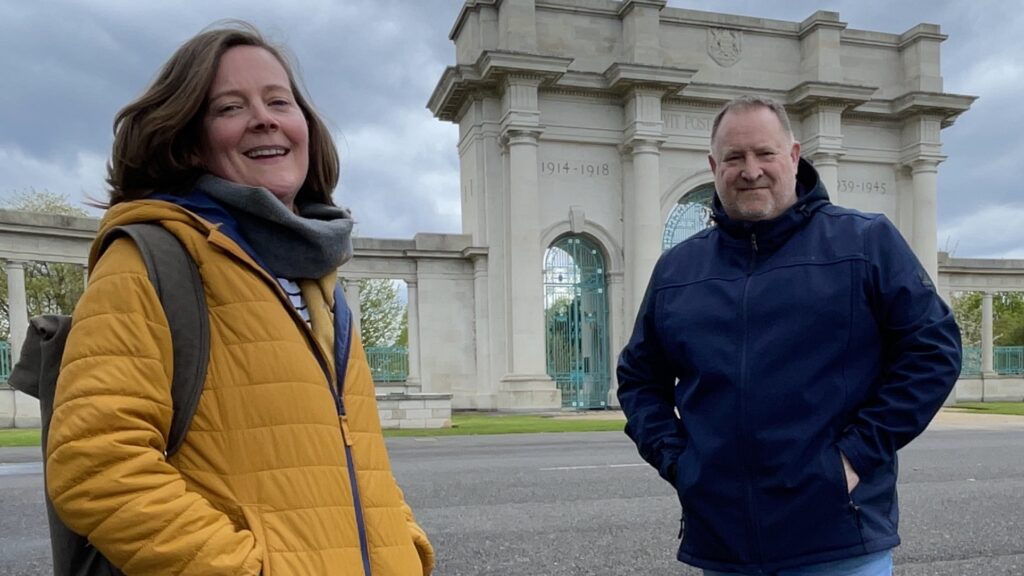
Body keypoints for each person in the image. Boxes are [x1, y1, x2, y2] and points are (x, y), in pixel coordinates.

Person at [45, 22, 434, 576]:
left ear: (306, 125)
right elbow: (97, 463)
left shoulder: (318, 279)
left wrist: (405, 547)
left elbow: (353, 455)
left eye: (280, 100)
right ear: (189, 138)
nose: (265, 117)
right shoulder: (149, 259)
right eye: (230, 107)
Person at [617, 96, 961, 576]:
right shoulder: (678, 269)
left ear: (794, 156)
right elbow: (638, 378)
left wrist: (855, 456)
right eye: (734, 158)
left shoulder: (864, 242)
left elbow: (934, 351)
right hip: (724, 546)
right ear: (714, 166)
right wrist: (680, 464)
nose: (750, 170)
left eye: (765, 153)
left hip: (839, 542)